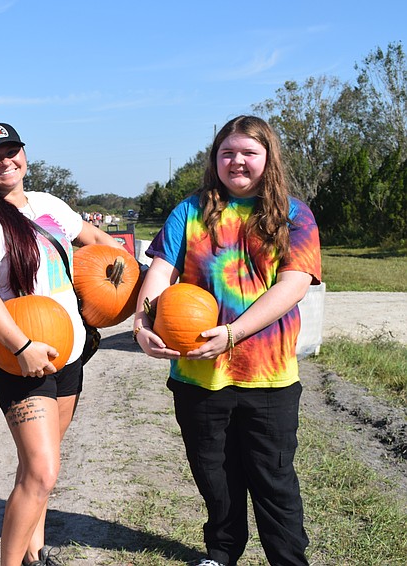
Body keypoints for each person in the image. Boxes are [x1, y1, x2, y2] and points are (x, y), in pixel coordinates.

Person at [132, 116, 321, 566]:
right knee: (215, 479)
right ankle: (221, 553)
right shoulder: (189, 212)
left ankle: (288, 560)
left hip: (269, 377)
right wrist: (142, 325)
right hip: (198, 374)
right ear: (214, 159)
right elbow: (161, 272)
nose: (237, 161)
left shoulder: (294, 214)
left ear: (268, 159)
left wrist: (235, 332)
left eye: (249, 153)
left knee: (274, 482)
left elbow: (293, 283)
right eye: (227, 153)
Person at [0, 122, 123, 566]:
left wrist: (124, 278)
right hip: (19, 358)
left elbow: (99, 244)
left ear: (25, 155)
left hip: (68, 352)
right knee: (43, 470)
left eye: (11, 151)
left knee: (39, 470)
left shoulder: (51, 206)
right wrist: (20, 344)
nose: (5, 161)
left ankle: (35, 553)